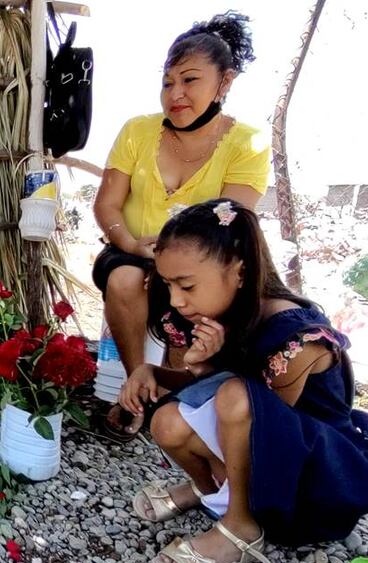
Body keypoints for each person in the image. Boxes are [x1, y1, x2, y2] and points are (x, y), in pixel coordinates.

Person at [123, 199, 368, 563]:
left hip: (312, 484)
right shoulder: (211, 314)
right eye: (168, 284)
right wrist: (155, 371)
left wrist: (211, 368)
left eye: (186, 285)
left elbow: (258, 415)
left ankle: (242, 526)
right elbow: (216, 395)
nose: (175, 299)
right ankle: (212, 493)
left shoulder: (296, 337)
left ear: (238, 270)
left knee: (234, 395)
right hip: (259, 451)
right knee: (168, 421)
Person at [92, 11, 270, 440]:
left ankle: (180, 397)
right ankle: (136, 388)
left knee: (193, 293)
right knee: (124, 279)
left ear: (224, 82)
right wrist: (133, 244)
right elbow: (107, 205)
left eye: (190, 80)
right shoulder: (138, 130)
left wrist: (176, 263)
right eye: (168, 82)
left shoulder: (247, 143)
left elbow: (228, 226)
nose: (176, 94)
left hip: (203, 260)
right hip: (131, 249)